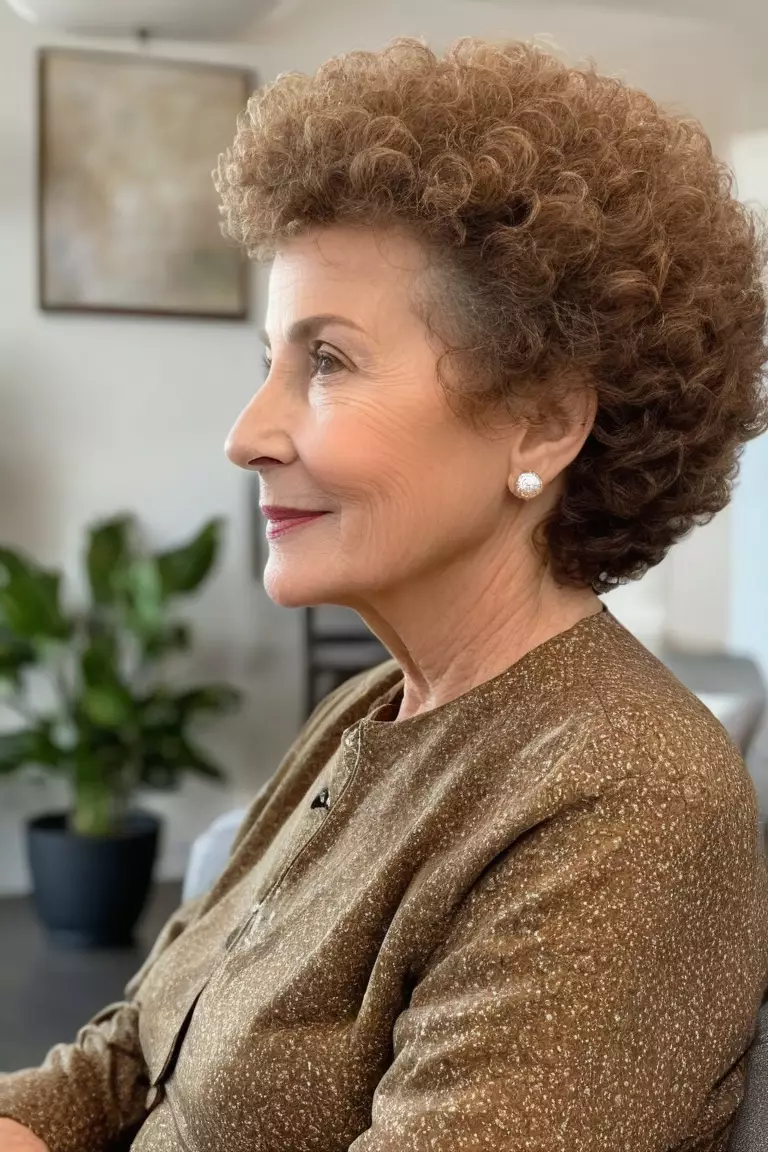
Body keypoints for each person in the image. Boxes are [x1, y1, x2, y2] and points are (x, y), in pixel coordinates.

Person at [2, 35, 768, 1152]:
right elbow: (128, 1059)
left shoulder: (629, 801)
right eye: (269, 360)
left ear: (545, 422)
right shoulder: (367, 714)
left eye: (328, 362)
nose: (246, 435)